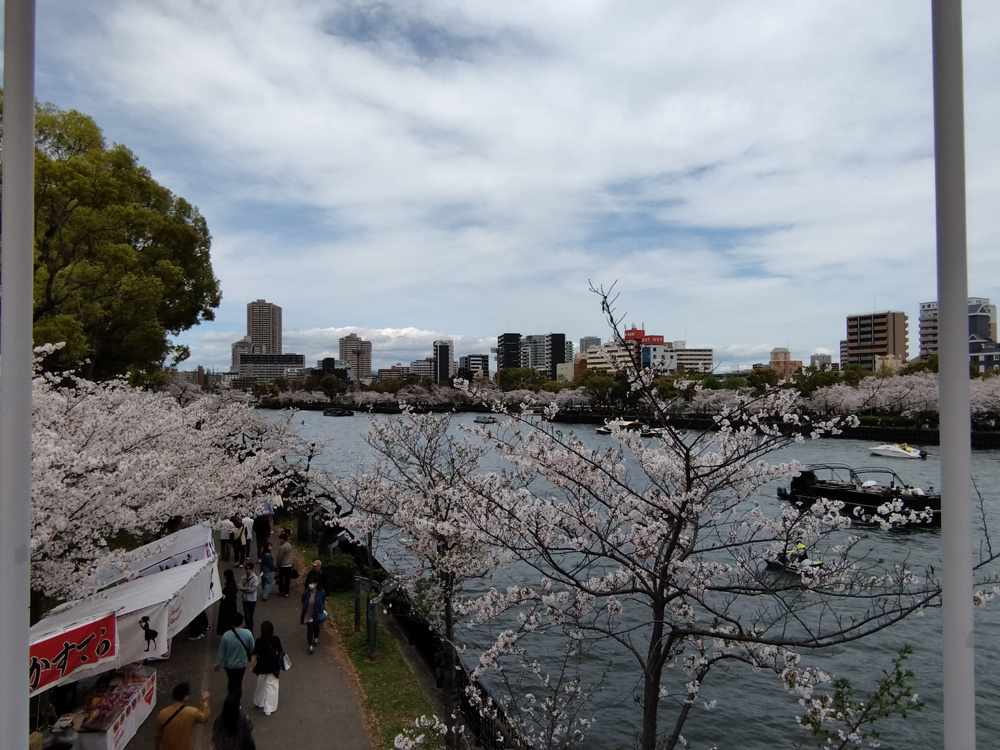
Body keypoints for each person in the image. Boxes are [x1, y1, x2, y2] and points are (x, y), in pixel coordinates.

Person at [153, 682, 210, 750]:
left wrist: (157, 747)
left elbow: (158, 735)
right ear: (185, 697)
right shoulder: (191, 712)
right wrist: (205, 702)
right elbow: (204, 717)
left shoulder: (162, 713)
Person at [215, 612, 255, 699]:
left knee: (231, 682)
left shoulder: (226, 635)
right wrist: (250, 658)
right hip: (241, 665)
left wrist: (218, 664)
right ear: (241, 622)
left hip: (229, 665)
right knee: (238, 683)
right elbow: (252, 648)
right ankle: (236, 702)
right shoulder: (248, 633)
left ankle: (231, 696)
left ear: (232, 622)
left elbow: (221, 651)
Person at [250, 620, 283, 716]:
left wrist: (251, 666)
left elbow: (254, 654)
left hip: (261, 666)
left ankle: (259, 701)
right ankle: (269, 707)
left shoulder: (259, 641)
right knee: (272, 686)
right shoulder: (276, 639)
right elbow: (280, 651)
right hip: (273, 665)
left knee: (260, 684)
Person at [300, 579, 327, 654]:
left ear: (316, 584)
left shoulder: (320, 591)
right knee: (310, 629)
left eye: (312, 583)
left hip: (316, 614)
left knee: (316, 627)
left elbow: (322, 599)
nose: (310, 585)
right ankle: (310, 645)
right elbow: (302, 599)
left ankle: (316, 638)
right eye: (309, 583)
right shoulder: (306, 592)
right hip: (308, 614)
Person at [216, 569, 239, 636]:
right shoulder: (232, 584)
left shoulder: (229, 585)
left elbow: (227, 596)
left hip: (227, 607)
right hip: (231, 606)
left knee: (226, 620)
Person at [239, 563, 260, 634]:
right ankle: (248, 627)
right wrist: (247, 588)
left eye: (249, 569)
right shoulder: (243, 578)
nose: (248, 570)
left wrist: (243, 589)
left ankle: (250, 629)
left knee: (249, 615)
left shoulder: (255, 578)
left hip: (252, 600)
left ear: (252, 569)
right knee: (246, 615)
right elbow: (239, 587)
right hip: (244, 599)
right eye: (247, 569)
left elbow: (253, 589)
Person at [275, 533, 294, 598]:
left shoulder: (282, 547)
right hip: (289, 564)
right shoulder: (289, 545)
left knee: (281, 578)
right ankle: (287, 592)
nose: (280, 540)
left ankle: (281, 590)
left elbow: (279, 557)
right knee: (287, 579)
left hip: (283, 565)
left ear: (283, 539)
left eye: (280, 539)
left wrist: (277, 565)